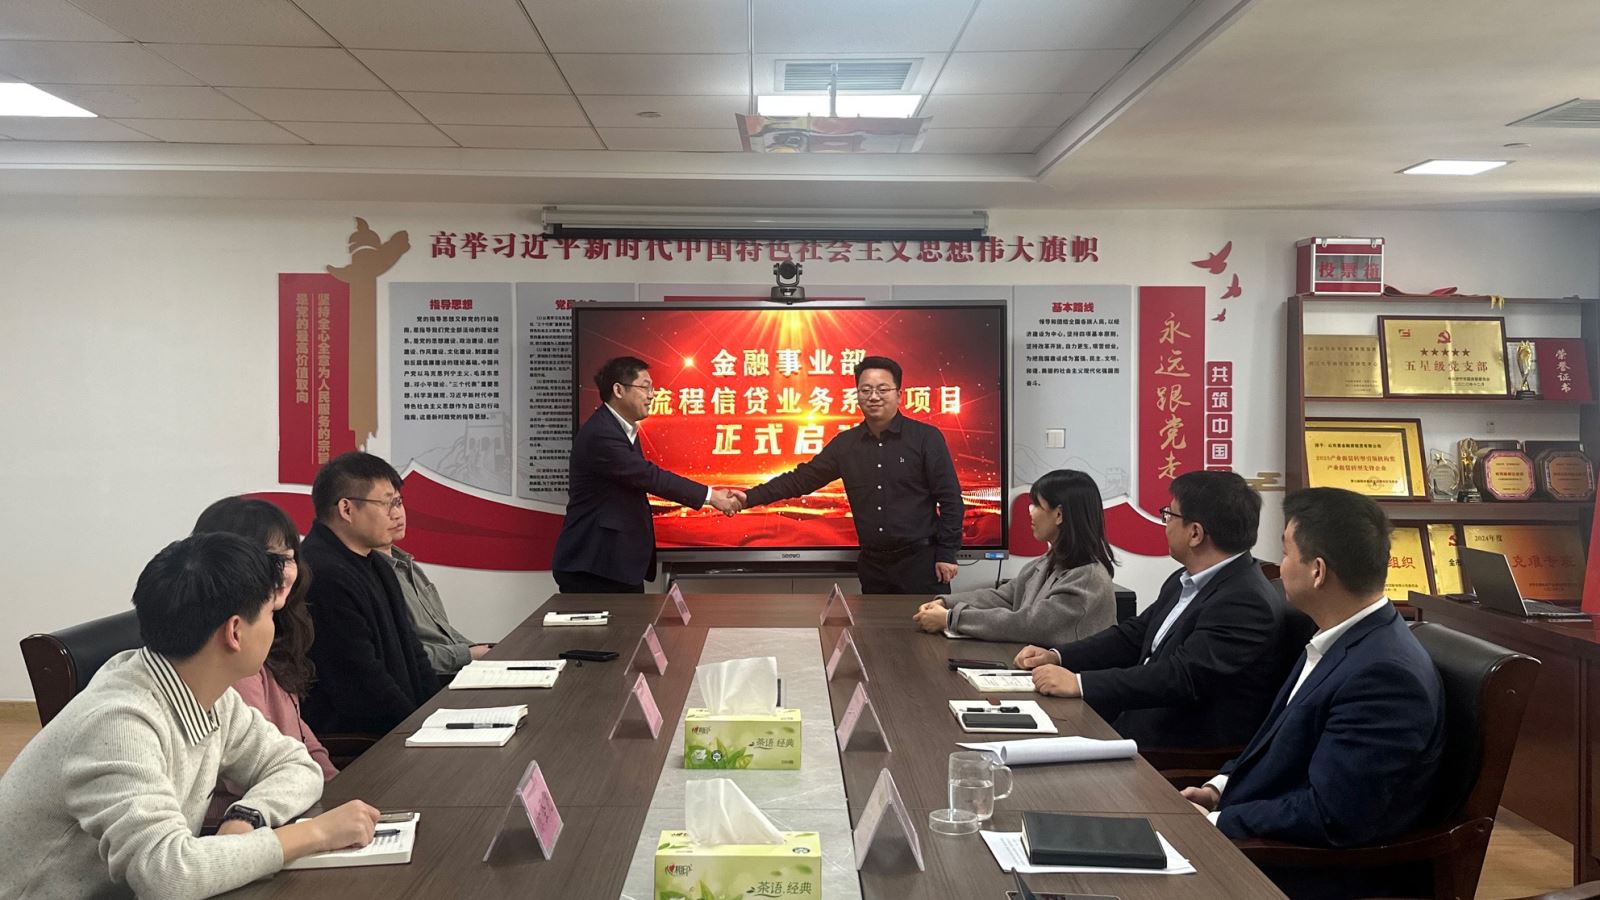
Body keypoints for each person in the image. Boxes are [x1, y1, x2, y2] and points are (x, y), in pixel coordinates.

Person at [0, 533, 381, 899]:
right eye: (268, 613)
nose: (273, 626)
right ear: (235, 632)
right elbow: (168, 877)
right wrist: (315, 835)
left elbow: (294, 765)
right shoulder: (118, 723)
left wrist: (246, 818)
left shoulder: (206, 692)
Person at [1182, 488, 1446, 899]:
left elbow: (1331, 814)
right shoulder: (1337, 637)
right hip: (1260, 840)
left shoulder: (1384, 677)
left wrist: (1218, 823)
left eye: (1285, 553)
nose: (1278, 567)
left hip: (1302, 873)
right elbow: (1279, 747)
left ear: (1318, 571)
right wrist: (1219, 788)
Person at [1013, 470, 1296, 749]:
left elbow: (1181, 676)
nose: (1165, 524)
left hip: (1176, 748)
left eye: (1169, 516)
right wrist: (1058, 656)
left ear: (1195, 533)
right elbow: (1133, 635)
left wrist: (1080, 683)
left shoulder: (1244, 601)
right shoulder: (1185, 579)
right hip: (1135, 717)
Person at [735, 355, 965, 595]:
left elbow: (950, 499)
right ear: (857, 395)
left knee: (926, 620)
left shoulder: (926, 438)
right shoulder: (845, 444)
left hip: (922, 563)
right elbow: (800, 479)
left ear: (899, 395)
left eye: (882, 389)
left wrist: (947, 554)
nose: (873, 396)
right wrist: (748, 498)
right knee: (873, 622)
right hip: (873, 567)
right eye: (865, 390)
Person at [192, 497, 337, 823]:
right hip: (243, 823)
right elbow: (255, 773)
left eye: (288, 558)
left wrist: (338, 789)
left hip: (294, 803)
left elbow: (303, 742)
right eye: (268, 560)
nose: (282, 572)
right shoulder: (227, 654)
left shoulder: (275, 630)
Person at [552, 355, 744, 593]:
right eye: (645, 387)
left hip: (614, 562)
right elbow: (648, 476)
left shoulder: (622, 428)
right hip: (595, 565)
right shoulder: (602, 433)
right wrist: (711, 496)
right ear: (618, 390)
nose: (652, 395)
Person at [300, 452, 440, 735]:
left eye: (398, 502)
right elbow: (362, 682)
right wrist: (418, 729)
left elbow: (414, 653)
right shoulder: (322, 574)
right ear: (346, 509)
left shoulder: (378, 565)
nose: (396, 513)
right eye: (387, 503)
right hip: (360, 740)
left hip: (402, 727)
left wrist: (437, 715)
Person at [912, 469, 1116, 646]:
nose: (1030, 512)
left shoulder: (1087, 579)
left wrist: (951, 619)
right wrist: (945, 603)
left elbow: (1030, 625)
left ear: (1059, 515)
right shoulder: (1044, 563)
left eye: (1037, 505)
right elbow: (1005, 597)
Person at [376, 496, 490, 678]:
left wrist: (478, 650)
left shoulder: (408, 565)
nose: (396, 514)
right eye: (383, 505)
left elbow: (443, 630)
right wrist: (469, 654)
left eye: (398, 503)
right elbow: (403, 656)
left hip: (457, 668)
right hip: (435, 679)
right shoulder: (373, 579)